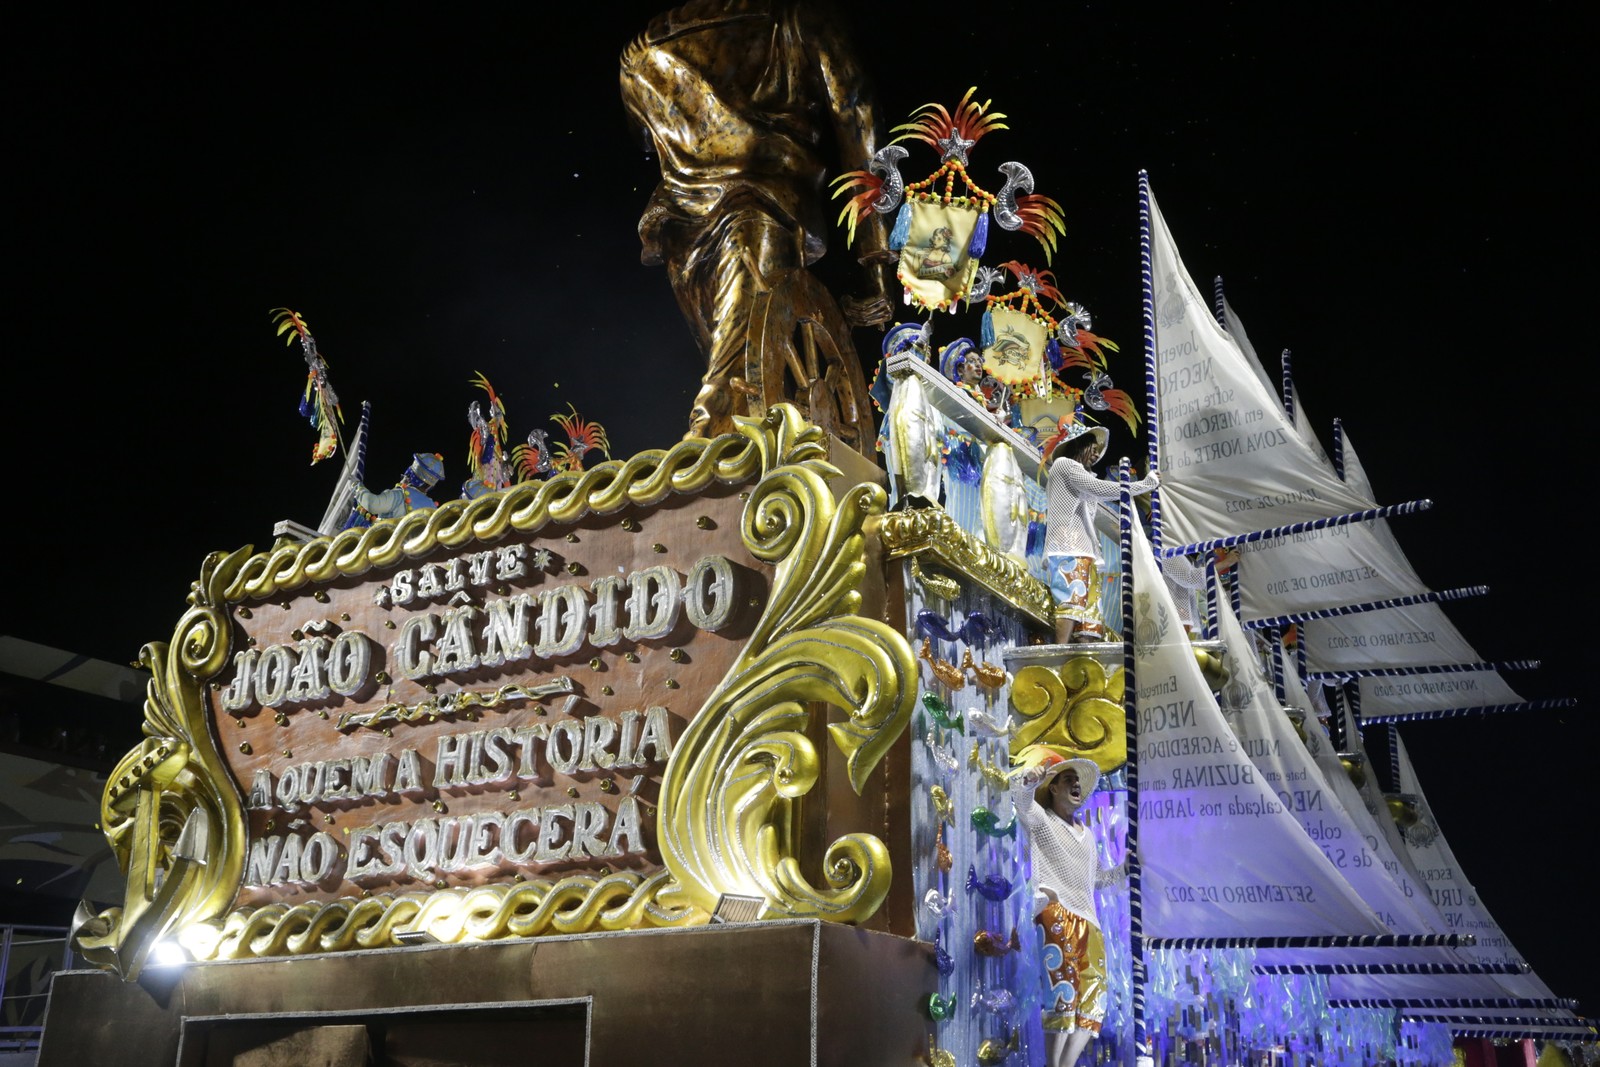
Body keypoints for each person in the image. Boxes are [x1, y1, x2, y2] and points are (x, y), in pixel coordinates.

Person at [620, 0, 892, 439]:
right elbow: (858, 123)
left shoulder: (640, 54)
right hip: (762, 213)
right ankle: (714, 489)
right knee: (732, 393)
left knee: (748, 386)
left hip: (681, 236)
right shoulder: (800, 18)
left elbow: (647, 140)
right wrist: (874, 259)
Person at [1012, 749, 1119, 1067]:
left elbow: (1098, 879)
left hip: (1091, 922)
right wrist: (1032, 778)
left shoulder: (1087, 837)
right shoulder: (1043, 820)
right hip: (1057, 910)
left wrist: (1129, 867)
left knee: (1094, 999)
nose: (1076, 786)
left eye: (1078, 782)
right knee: (1063, 993)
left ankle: (1064, 1065)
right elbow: (1020, 796)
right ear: (1054, 788)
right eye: (1067, 780)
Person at [1042, 417, 1157, 643]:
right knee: (1072, 600)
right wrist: (1144, 485)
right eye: (1093, 449)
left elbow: (1097, 490)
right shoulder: (1065, 465)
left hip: (1086, 550)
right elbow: (1102, 488)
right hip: (1068, 545)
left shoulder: (1081, 474)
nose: (1096, 455)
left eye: (1098, 451)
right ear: (1079, 445)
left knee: (1090, 616)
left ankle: (1085, 662)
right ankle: (1060, 650)